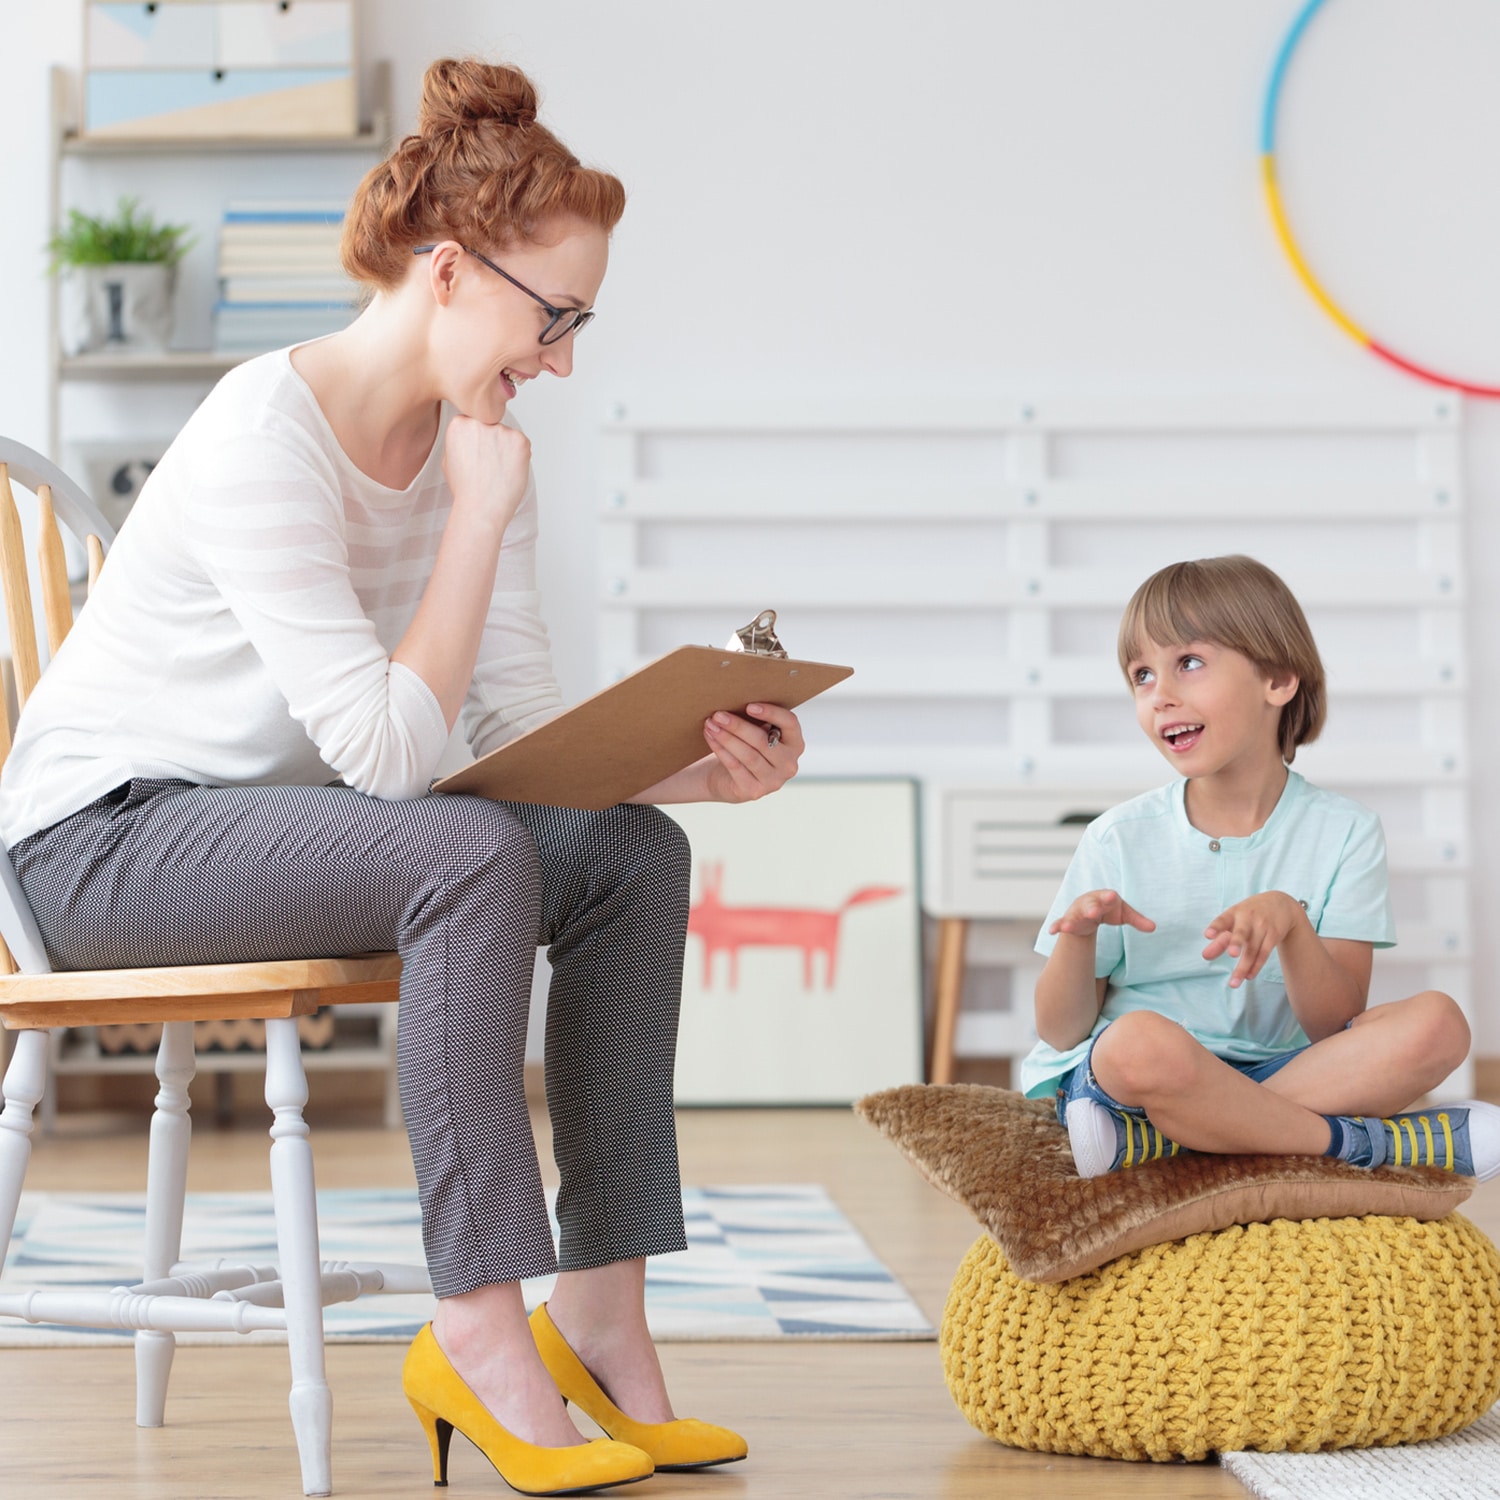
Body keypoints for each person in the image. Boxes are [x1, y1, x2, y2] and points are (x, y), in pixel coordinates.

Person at [0, 58, 791, 1495]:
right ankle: (478, 1331)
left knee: (623, 856)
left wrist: (693, 771)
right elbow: (383, 758)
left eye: (578, 325)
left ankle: (599, 1316)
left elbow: (522, 740)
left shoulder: (475, 451)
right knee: (464, 855)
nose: (561, 361)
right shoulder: (264, 434)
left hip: (289, 833)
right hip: (97, 847)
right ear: (447, 271)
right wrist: (473, 528)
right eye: (551, 321)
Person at [1021, 554, 1500, 1182]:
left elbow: (1334, 1023)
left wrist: (1293, 925)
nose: (1160, 694)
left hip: (1290, 1071)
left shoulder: (1346, 831)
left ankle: (1179, 1142)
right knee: (1139, 1041)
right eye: (1141, 675)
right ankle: (1367, 1146)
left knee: (1439, 1024)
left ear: (1277, 679)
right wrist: (1078, 940)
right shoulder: (1117, 837)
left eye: (1188, 663)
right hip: (1141, 1081)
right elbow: (1060, 1032)